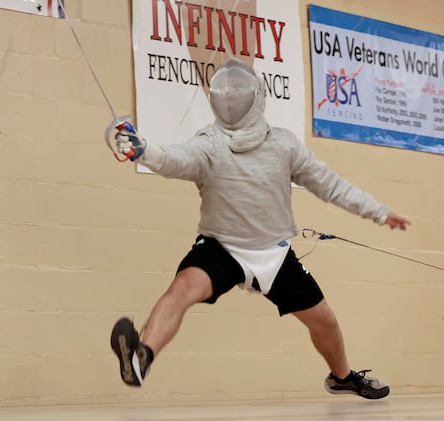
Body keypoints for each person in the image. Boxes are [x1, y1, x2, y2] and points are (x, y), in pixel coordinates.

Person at [109, 58, 410, 399]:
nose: (232, 102)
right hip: (221, 247)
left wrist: (379, 212)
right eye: (226, 96)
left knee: (323, 320)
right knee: (182, 290)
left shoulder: (284, 145)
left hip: (274, 254)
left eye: (239, 95)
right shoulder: (209, 143)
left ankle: (342, 378)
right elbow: (174, 159)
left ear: (256, 97)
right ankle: (141, 357)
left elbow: (330, 185)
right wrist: (144, 151)